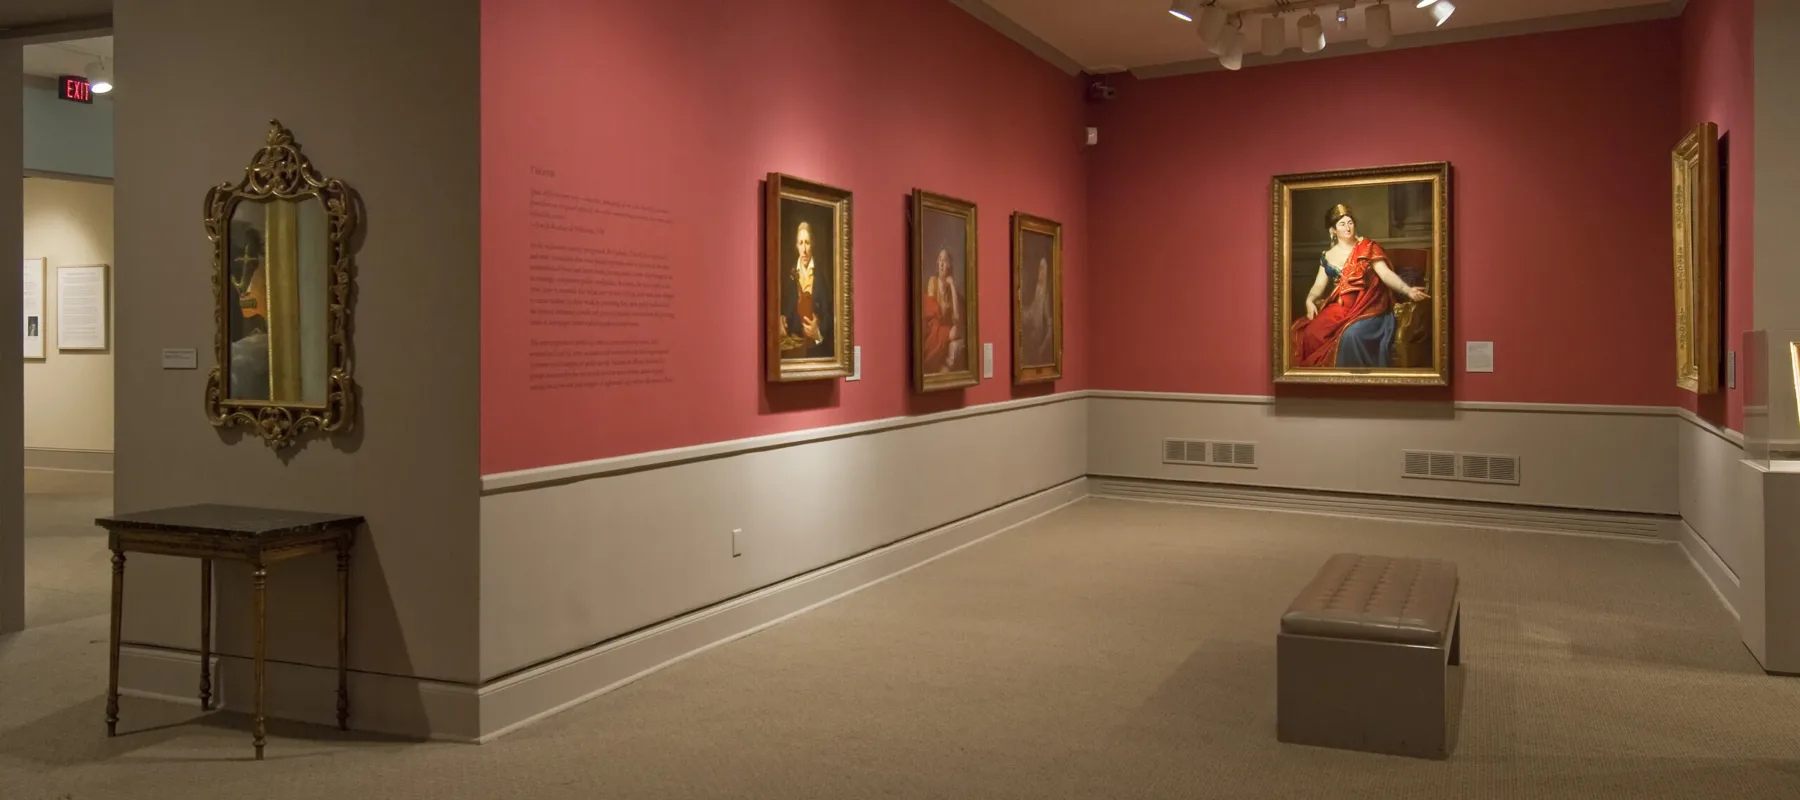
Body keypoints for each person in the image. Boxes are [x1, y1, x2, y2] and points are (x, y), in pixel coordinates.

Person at [1290, 204, 1429, 368]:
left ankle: (1356, 385)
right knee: (1311, 333)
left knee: (1351, 336)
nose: (1348, 227)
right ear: (1333, 230)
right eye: (1342, 224)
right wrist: (1310, 300)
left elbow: (1385, 274)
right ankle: (1325, 384)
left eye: (1350, 222)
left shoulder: (1367, 247)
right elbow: (1318, 285)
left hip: (1369, 307)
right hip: (1341, 309)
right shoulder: (1327, 256)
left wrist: (1407, 290)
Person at [780, 220, 832, 358]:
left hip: (816, 350)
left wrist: (817, 332)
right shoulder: (790, 277)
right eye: (801, 243)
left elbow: (828, 315)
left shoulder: (821, 277)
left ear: (812, 244)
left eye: (807, 243)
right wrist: (782, 321)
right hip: (795, 351)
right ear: (796, 245)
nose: (804, 249)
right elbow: (786, 312)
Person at [919, 247, 962, 373]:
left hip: (943, 327)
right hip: (933, 326)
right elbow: (932, 310)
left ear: (949, 265)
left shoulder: (950, 290)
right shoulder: (933, 281)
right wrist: (949, 329)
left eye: (944, 260)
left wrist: (953, 286)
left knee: (955, 332)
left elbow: (957, 317)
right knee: (948, 332)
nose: (941, 264)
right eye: (939, 260)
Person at [1019, 255, 1054, 365]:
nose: (1026, 284)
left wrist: (1041, 350)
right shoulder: (1019, 307)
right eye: (1022, 280)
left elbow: (1050, 327)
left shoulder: (1041, 294)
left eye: (1027, 279)